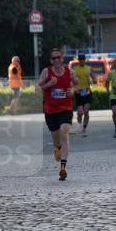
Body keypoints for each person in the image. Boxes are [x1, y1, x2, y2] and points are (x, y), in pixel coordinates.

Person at [38, 47, 79, 180]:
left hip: (65, 108)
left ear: (62, 59)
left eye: (58, 57)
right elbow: (38, 88)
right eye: (53, 58)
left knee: (64, 132)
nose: (56, 60)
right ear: (51, 60)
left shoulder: (70, 72)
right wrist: (49, 83)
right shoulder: (46, 72)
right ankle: (57, 148)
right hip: (50, 110)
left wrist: (72, 91)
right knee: (57, 140)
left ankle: (63, 167)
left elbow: (77, 84)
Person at [73, 53, 94, 135]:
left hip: (87, 91)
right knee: (80, 112)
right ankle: (79, 118)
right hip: (78, 92)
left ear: (85, 60)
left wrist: (91, 79)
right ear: (78, 61)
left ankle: (84, 127)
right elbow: (72, 80)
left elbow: (93, 78)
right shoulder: (75, 69)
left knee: (86, 111)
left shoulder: (89, 68)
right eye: (80, 60)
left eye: (83, 60)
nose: (82, 61)